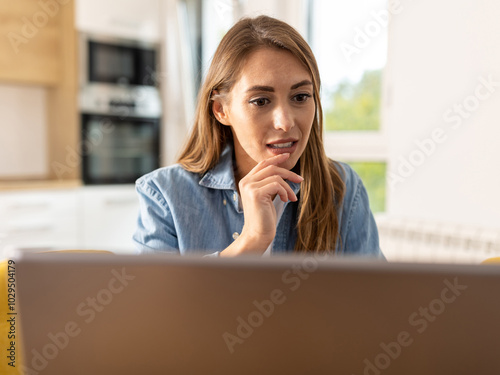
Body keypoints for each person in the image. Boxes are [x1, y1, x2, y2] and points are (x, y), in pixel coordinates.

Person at [133, 15, 383, 258]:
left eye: (300, 97)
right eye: (261, 101)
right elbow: (159, 301)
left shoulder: (343, 188)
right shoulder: (164, 195)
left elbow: (376, 298)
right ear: (221, 110)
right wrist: (251, 240)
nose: (285, 123)